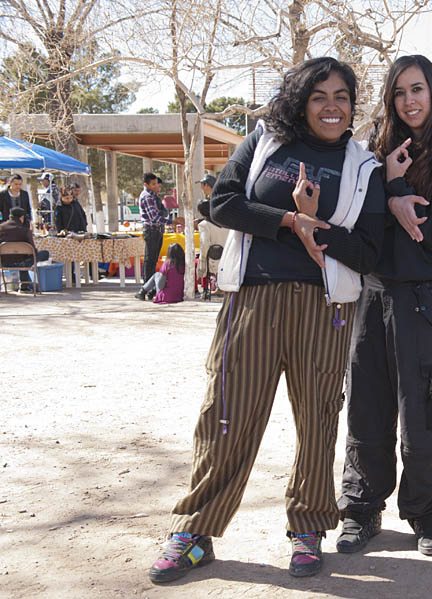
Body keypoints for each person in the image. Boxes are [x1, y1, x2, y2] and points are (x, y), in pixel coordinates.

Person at [147, 57, 385, 583]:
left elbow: (370, 251)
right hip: (251, 300)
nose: (332, 107)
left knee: (317, 421)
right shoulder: (265, 142)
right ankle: (195, 532)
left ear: (352, 105)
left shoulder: (363, 165)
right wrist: (288, 220)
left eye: (342, 97)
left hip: (325, 309)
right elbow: (222, 204)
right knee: (226, 415)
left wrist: (315, 226)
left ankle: (308, 527)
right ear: (301, 101)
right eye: (319, 96)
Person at [336, 55, 432, 557]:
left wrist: (394, 192)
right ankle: (361, 508)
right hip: (373, 293)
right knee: (366, 406)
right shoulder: (372, 151)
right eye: (399, 92)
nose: (409, 101)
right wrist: (387, 189)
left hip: (428, 298)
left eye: (417, 89)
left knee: (425, 410)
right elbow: (355, 217)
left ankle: (426, 512)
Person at [0, 207, 50, 292]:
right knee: (44, 253)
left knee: (22, 257)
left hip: (3, 262)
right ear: (22, 217)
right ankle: (24, 286)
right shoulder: (25, 230)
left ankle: (24, 285)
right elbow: (32, 250)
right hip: (22, 262)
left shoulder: (1, 228)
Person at [138, 172, 172, 284]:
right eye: (153, 184)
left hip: (157, 230)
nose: (156, 186)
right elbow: (154, 217)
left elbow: (164, 212)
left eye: (156, 183)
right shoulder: (147, 197)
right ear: (146, 184)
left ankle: (150, 284)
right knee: (150, 259)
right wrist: (171, 222)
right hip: (151, 230)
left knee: (153, 259)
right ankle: (147, 284)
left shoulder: (154, 197)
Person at [196, 199, 228, 298]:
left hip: (212, 259)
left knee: (199, 260)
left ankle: (204, 289)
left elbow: (204, 244)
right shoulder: (225, 222)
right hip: (226, 258)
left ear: (201, 213)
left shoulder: (204, 225)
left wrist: (202, 258)